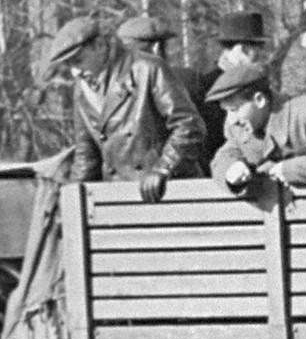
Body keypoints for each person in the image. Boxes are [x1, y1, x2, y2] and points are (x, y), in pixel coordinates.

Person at [47, 16, 204, 202]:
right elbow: (86, 154)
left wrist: (163, 168)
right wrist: (71, 199)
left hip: (169, 193)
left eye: (78, 61)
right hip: (120, 196)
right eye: (69, 66)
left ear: (99, 45)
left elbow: (189, 126)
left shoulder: (147, 69)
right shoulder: (82, 89)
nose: (75, 72)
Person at [206, 63, 306, 194]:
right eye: (226, 111)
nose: (231, 120)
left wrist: (287, 169)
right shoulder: (239, 127)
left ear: (259, 100)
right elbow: (224, 156)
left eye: (234, 109)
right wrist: (231, 169)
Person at [189, 11, 274, 166]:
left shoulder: (207, 84)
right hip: (220, 176)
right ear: (244, 50)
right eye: (259, 48)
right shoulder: (208, 89)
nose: (262, 56)